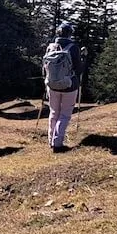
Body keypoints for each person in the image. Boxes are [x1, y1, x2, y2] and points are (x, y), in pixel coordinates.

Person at [43, 22, 83, 153]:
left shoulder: (50, 47)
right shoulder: (73, 48)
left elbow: (44, 67)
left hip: (52, 85)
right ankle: (57, 143)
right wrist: (84, 59)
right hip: (69, 86)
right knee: (65, 115)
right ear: (70, 34)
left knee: (54, 112)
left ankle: (50, 140)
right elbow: (78, 69)